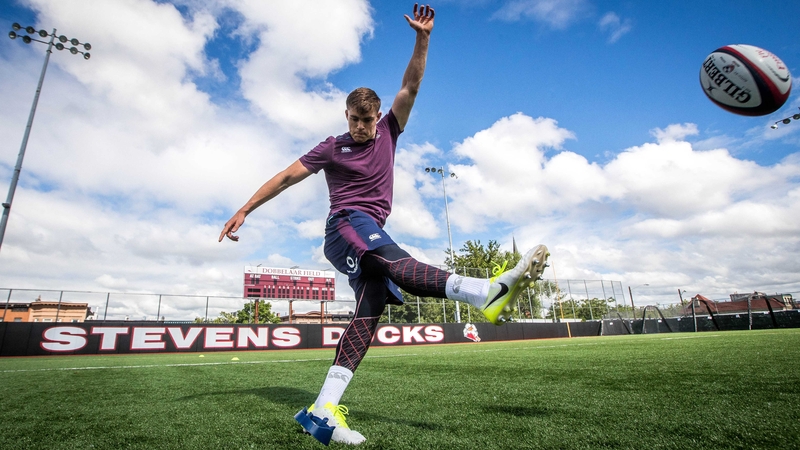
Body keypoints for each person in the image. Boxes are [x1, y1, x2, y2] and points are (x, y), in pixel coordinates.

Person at [219, 4, 549, 445]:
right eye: (354, 119)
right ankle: (485, 292)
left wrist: (423, 37)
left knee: (367, 313)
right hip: (345, 228)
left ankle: (321, 411)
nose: (360, 126)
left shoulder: (390, 130)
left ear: (377, 118)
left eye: (367, 119)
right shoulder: (331, 148)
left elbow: (411, 85)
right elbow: (285, 177)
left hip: (370, 227)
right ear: (346, 116)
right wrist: (245, 207)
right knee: (396, 260)